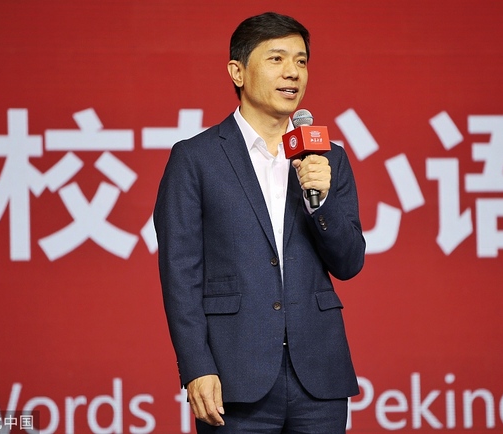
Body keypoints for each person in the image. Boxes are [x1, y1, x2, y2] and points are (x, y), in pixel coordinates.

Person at [154, 11, 365, 433]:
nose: (293, 73)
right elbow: (181, 273)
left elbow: (349, 262)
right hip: (234, 377)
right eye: (277, 59)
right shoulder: (195, 159)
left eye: (302, 61)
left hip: (319, 377)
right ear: (237, 71)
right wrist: (196, 365)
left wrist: (320, 202)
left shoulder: (326, 159)